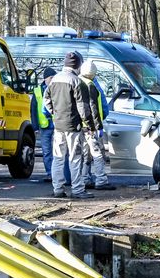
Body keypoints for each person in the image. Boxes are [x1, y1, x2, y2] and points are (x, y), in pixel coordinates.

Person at [42, 51, 93, 199]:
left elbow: (47, 100)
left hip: (58, 125)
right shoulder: (77, 82)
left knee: (58, 157)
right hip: (73, 126)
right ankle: (77, 189)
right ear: (78, 65)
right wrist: (89, 124)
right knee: (75, 157)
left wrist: (55, 113)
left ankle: (58, 188)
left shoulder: (54, 80)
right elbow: (83, 107)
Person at [78, 63, 115, 191]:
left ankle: (85, 178)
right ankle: (101, 179)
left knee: (85, 155)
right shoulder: (90, 85)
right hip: (91, 127)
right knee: (98, 153)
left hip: (80, 126)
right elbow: (93, 108)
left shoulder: (76, 82)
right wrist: (97, 127)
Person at [30, 67, 58, 182]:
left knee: (58, 152)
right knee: (47, 152)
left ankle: (57, 173)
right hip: (44, 126)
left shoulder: (57, 88)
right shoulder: (37, 91)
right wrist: (35, 126)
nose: (52, 80)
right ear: (45, 78)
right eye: (50, 78)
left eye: (53, 78)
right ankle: (50, 173)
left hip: (57, 125)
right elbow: (33, 110)